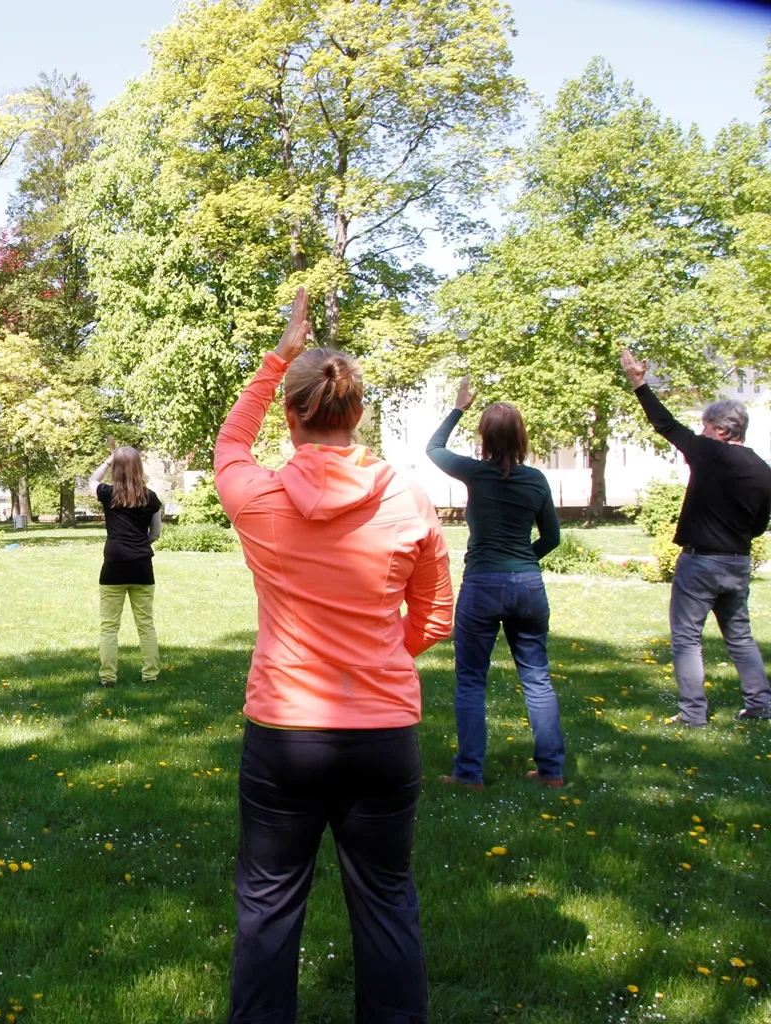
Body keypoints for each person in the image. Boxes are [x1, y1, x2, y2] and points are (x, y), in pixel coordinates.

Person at [214, 288, 453, 1024]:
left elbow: (230, 443)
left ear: (293, 417)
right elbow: (436, 615)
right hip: (382, 734)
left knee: (268, 904)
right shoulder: (409, 500)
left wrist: (280, 352)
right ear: (358, 415)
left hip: (287, 735)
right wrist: (383, 656)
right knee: (386, 904)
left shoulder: (257, 498)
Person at [427, 377, 566, 789]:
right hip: (528, 586)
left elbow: (434, 449)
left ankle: (469, 774)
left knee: (471, 679)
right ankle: (552, 772)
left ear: (484, 438)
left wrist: (458, 407)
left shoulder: (475, 473)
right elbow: (553, 538)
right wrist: (523, 564)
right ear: (522, 438)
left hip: (483, 585)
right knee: (537, 678)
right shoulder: (536, 480)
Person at [622, 349, 771, 725]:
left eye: (705, 428)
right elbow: (759, 525)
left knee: (687, 638)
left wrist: (639, 383)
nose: (701, 433)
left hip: (701, 561)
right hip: (737, 562)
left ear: (721, 431)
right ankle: (760, 705)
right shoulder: (763, 470)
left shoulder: (710, 454)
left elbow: (666, 425)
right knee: (740, 637)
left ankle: (693, 715)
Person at [88, 444, 163, 686]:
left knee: (109, 626)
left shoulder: (107, 493)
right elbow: (156, 534)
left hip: (114, 566)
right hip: (142, 565)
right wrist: (141, 542)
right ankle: (150, 675)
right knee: (145, 624)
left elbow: (91, 479)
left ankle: (108, 677)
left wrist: (109, 460)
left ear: (117, 469)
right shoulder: (150, 498)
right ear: (139, 468)